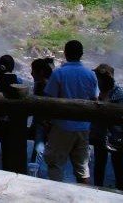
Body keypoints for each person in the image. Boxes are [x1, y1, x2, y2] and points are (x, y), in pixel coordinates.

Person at [44, 40, 97, 184]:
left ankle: (55, 197)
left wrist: (46, 122)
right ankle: (83, 196)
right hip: (83, 127)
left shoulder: (59, 73)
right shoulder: (90, 75)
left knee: (56, 165)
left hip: (61, 127)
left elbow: (49, 100)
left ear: (65, 54)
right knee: (82, 167)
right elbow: (95, 99)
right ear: (81, 54)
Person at [91, 63, 123, 190]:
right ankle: (97, 189)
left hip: (116, 136)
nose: (97, 79)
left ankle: (121, 191)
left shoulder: (119, 93)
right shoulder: (102, 91)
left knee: (118, 164)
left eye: (98, 77)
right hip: (101, 134)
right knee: (99, 164)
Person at [0, 54, 24, 173]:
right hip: (14, 120)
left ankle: (5, 169)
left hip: (0, 119)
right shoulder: (17, 79)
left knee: (4, 147)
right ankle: (14, 170)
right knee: (14, 147)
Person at [29, 57, 54, 168]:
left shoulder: (47, 85)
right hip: (41, 122)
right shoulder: (39, 84)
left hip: (45, 124)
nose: (31, 73)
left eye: (33, 70)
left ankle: (34, 173)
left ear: (41, 72)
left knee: (39, 149)